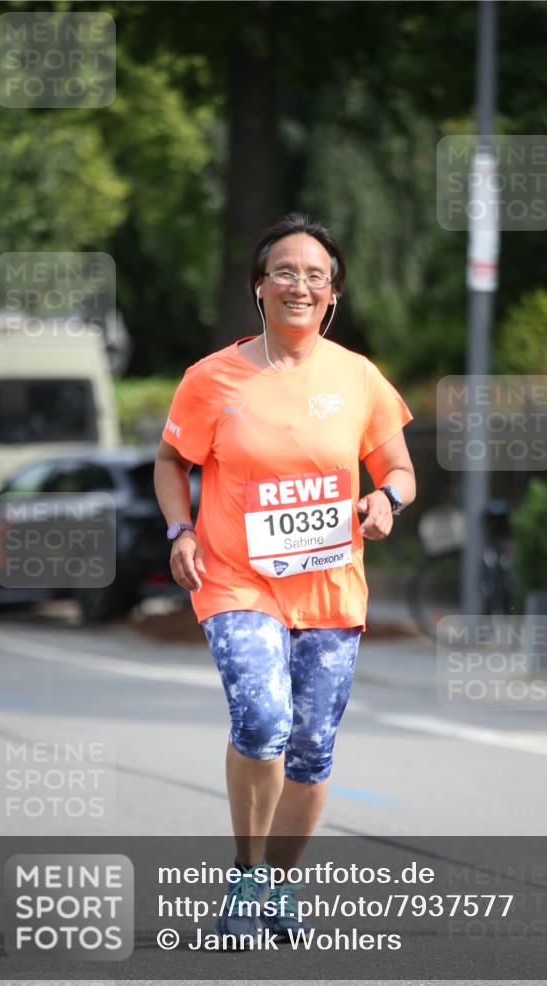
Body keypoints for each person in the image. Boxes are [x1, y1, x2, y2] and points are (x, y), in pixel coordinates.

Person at [154, 213, 416, 942]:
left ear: (331, 295)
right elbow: (172, 461)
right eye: (285, 271)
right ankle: (245, 875)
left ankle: (277, 884)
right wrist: (179, 530)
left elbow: (398, 469)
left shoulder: (357, 376)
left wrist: (384, 499)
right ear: (259, 287)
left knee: (312, 748)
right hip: (237, 578)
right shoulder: (211, 379)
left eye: (315, 275)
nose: (300, 284)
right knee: (262, 721)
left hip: (330, 583)